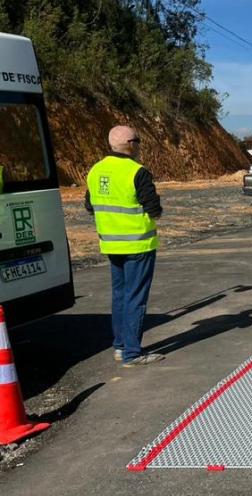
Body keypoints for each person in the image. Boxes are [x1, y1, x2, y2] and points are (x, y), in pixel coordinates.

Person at [85, 126, 164, 366]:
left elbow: (90, 205)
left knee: (120, 295)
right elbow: (155, 209)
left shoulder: (96, 170)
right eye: (137, 141)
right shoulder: (137, 172)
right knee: (135, 298)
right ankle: (132, 352)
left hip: (111, 244)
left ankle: (120, 346)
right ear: (130, 143)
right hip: (138, 244)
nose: (139, 146)